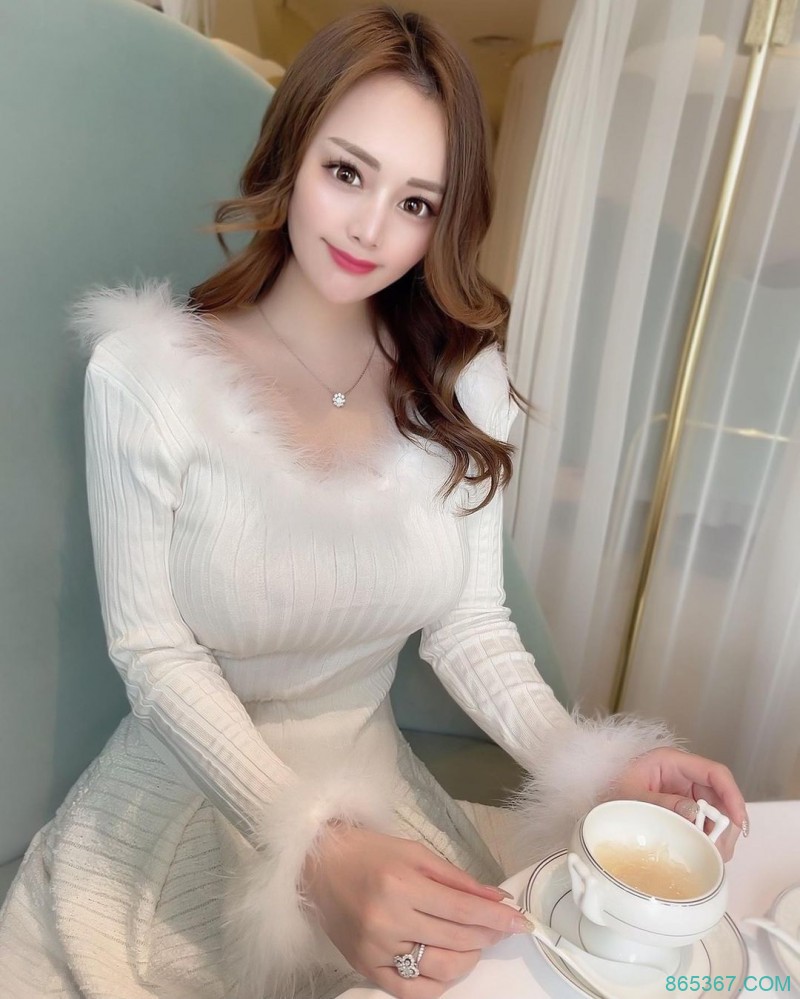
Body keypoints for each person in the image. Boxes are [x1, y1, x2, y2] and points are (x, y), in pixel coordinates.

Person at [0, 6, 747, 999]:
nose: (369, 229)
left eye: (416, 202)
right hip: (188, 804)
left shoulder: (460, 383)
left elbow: (469, 626)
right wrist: (313, 846)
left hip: (382, 795)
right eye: (346, 172)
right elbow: (153, 653)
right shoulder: (146, 373)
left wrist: (591, 764)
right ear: (290, 152)